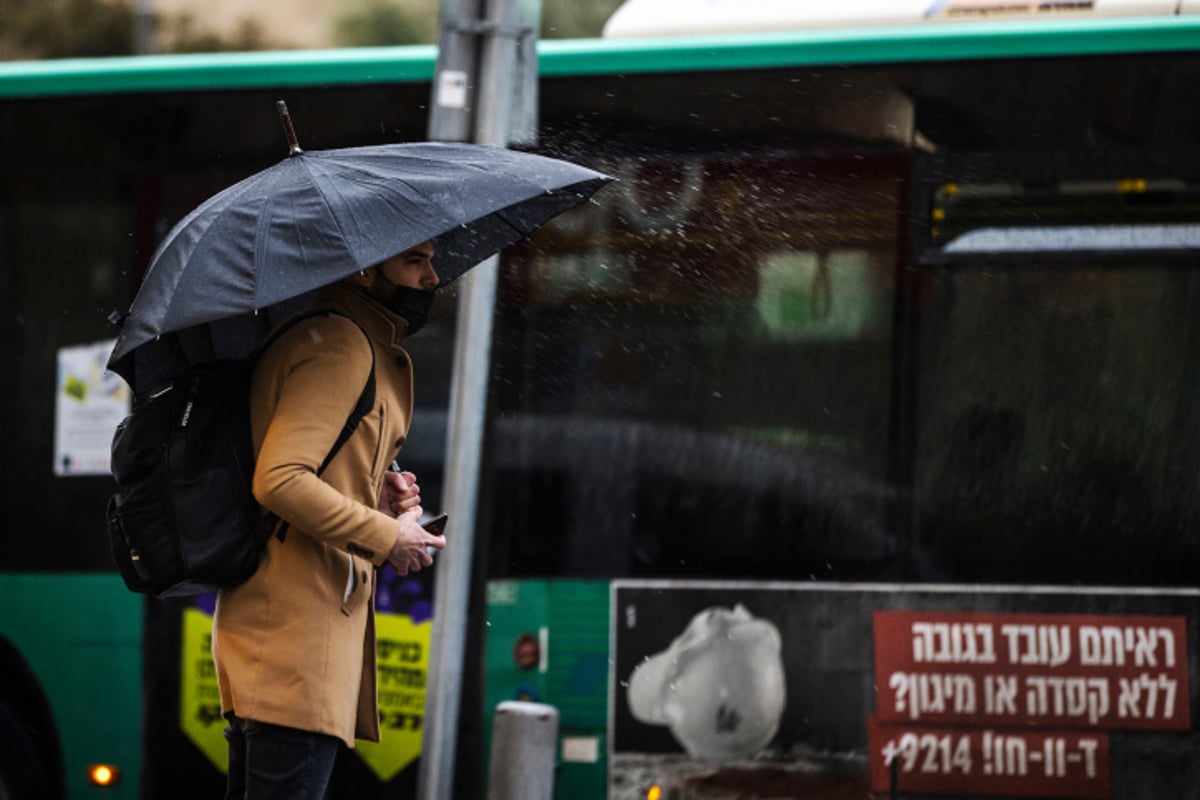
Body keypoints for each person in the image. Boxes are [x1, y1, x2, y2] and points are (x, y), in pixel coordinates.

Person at [212, 240, 447, 800]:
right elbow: (280, 479)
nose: (432, 277)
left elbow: (309, 475)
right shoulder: (342, 345)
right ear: (366, 271)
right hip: (295, 641)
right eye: (414, 261)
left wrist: (374, 498)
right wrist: (388, 536)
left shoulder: (341, 336)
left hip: (286, 636)